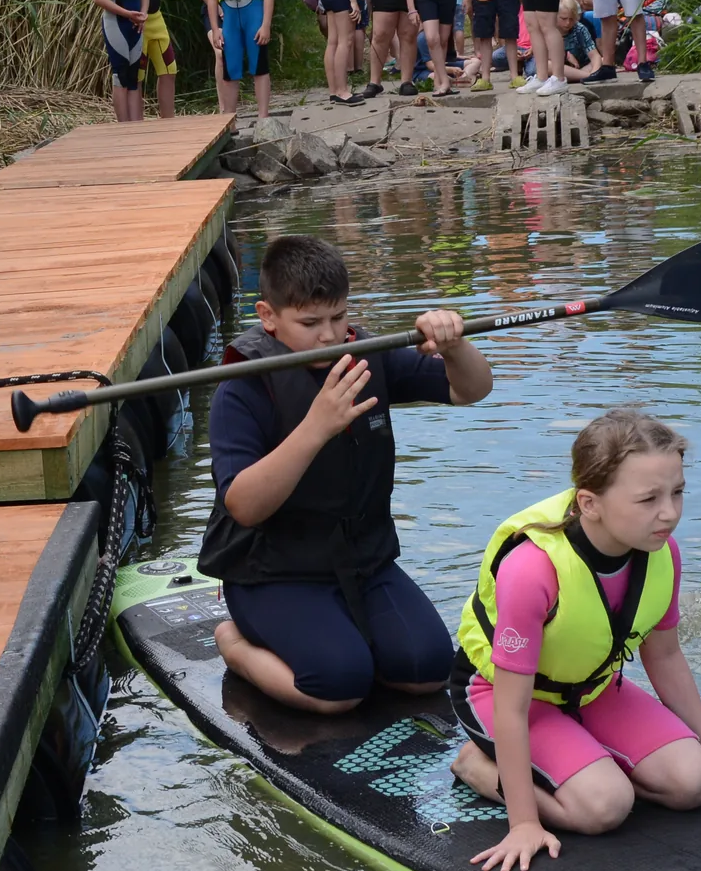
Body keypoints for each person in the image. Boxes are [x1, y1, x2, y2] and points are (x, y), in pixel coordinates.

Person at [452, 409, 701, 871]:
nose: (670, 513)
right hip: (502, 696)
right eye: (649, 499)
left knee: (693, 783)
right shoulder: (532, 569)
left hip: (594, 690)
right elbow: (512, 706)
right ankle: (476, 767)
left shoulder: (662, 553)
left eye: (677, 492)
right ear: (589, 503)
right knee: (604, 808)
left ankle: (587, 759)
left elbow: (664, 655)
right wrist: (522, 822)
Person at [199, 236, 492, 715]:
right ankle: (235, 643)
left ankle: (345, 633)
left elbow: (471, 391)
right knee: (338, 688)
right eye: (309, 323)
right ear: (268, 317)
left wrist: (455, 347)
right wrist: (316, 428)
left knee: (429, 670)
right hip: (272, 573)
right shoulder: (243, 387)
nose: (329, 336)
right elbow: (243, 505)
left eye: (338, 317)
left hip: (363, 563)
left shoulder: (365, 353)